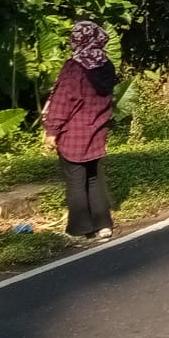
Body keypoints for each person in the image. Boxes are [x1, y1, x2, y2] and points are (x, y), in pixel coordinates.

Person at [44, 21, 118, 240]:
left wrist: (51, 131)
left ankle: (80, 227)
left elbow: (62, 101)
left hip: (74, 132)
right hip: (97, 128)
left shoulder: (75, 67)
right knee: (94, 177)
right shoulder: (106, 65)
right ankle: (103, 224)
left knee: (76, 179)